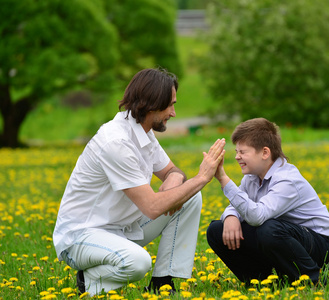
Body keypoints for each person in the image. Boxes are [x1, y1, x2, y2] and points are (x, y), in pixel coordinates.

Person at [53, 68, 226, 296]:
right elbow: (152, 207)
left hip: (121, 229)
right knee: (137, 262)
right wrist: (203, 177)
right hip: (81, 237)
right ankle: (89, 279)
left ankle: (162, 283)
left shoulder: (143, 132)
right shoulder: (116, 142)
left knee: (189, 197)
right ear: (151, 105)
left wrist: (174, 178)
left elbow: (172, 170)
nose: (173, 113)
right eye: (170, 105)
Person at [206, 118, 329, 286]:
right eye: (236, 151)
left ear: (265, 153)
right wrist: (231, 216)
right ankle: (263, 282)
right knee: (217, 230)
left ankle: (314, 280)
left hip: (320, 247)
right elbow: (240, 204)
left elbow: (257, 216)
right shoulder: (251, 178)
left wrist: (223, 179)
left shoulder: (287, 180)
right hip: (285, 239)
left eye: (243, 152)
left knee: (268, 229)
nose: (237, 157)